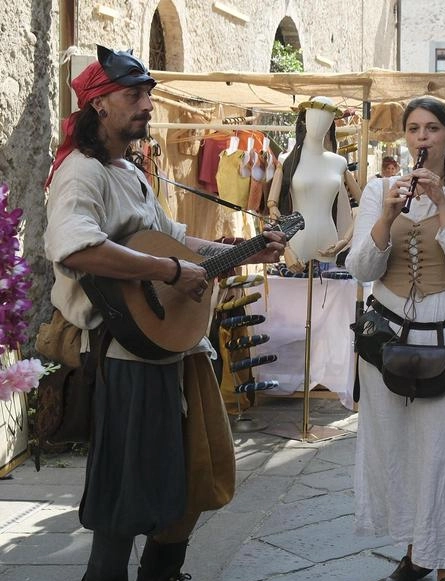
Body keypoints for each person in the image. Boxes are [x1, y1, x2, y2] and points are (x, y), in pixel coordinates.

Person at [43, 45, 286, 581]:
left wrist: (235, 249)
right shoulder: (82, 173)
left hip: (169, 350)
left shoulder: (129, 171)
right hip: (125, 352)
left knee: (191, 473)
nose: (147, 105)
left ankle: (162, 572)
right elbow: (75, 247)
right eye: (134, 95)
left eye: (148, 95)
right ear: (99, 105)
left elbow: (175, 242)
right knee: (128, 484)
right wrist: (168, 272)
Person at [346, 97, 445, 581]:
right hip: (388, 340)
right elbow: (360, 269)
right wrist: (386, 218)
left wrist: (440, 204)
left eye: (432, 129)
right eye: (414, 129)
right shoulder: (378, 190)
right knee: (400, 451)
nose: (422, 138)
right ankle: (417, 553)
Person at [267, 96, 358, 264]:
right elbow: (273, 209)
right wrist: (286, 249)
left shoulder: (339, 163)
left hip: (329, 239)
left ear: (331, 122)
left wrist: (344, 240)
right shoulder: (286, 161)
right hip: (297, 241)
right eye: (314, 116)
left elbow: (365, 205)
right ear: (304, 118)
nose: (318, 123)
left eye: (325, 118)